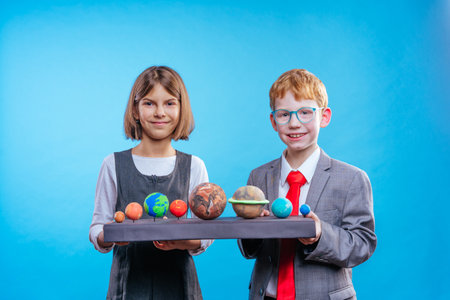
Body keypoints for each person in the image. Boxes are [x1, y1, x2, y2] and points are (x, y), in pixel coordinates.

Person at [238, 69, 377, 300]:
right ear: (273, 121)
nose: (294, 123)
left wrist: (321, 234)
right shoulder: (258, 177)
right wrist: (254, 229)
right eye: (284, 114)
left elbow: (363, 244)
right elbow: (249, 248)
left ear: (324, 116)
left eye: (305, 112)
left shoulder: (352, 178)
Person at [89, 66, 212, 300]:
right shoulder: (112, 164)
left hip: (180, 286)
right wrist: (116, 234)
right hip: (127, 286)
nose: (159, 112)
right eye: (149, 103)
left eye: (169, 103)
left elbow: (204, 236)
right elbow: (97, 229)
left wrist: (180, 241)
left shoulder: (194, 166)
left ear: (181, 108)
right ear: (135, 110)